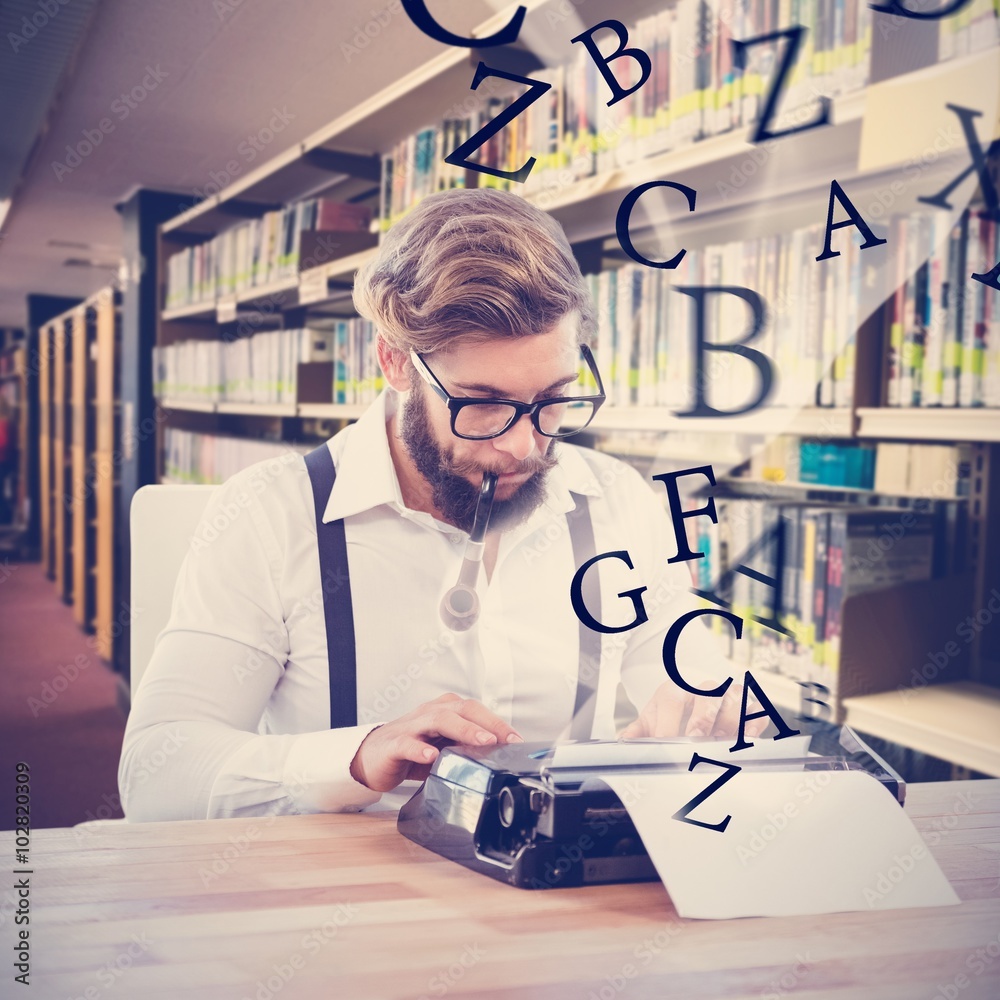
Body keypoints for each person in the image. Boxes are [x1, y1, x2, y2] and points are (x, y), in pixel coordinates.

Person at [119, 187, 762, 822]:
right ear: (395, 363)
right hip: (350, 899)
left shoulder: (619, 503)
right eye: (482, 402)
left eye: (553, 398)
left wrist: (711, 721)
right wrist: (357, 756)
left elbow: (702, 693)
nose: (523, 445)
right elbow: (156, 773)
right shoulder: (268, 516)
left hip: (555, 899)